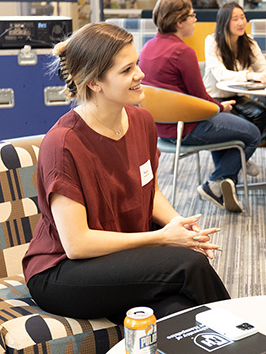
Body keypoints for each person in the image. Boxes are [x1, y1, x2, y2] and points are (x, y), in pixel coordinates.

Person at [21, 22, 230, 322]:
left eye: (138, 64)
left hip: (119, 255)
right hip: (63, 270)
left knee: (177, 310)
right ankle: (245, 336)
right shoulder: (64, 143)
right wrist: (161, 239)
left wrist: (177, 225)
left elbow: (149, 190)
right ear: (94, 82)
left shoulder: (142, 121)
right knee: (189, 265)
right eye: (127, 70)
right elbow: (77, 243)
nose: (140, 75)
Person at [139, 0, 260, 212]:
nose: (195, 19)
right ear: (179, 22)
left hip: (160, 129)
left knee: (229, 123)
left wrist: (218, 108)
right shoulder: (183, 52)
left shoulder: (148, 46)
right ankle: (216, 182)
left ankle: (227, 180)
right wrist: (221, 106)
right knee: (251, 134)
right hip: (187, 128)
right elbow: (200, 98)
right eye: (192, 15)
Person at [203, 2, 266, 136]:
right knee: (236, 121)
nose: (241, 22)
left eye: (243, 17)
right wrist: (249, 75)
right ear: (224, 22)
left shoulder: (248, 41)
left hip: (238, 97)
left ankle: (243, 152)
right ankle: (238, 154)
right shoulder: (212, 42)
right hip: (215, 97)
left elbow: (262, 66)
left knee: (263, 114)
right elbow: (221, 74)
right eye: (235, 19)